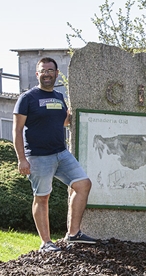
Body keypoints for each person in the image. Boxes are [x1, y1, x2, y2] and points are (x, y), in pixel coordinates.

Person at [13, 57, 96, 252]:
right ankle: (46, 243)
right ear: (37, 74)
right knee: (42, 197)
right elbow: (17, 130)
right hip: (38, 156)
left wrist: (76, 116)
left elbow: (63, 121)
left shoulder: (59, 97)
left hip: (60, 153)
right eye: (43, 70)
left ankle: (73, 234)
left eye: (51, 70)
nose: (47, 73)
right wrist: (21, 159)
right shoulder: (27, 98)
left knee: (83, 184)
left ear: (57, 74)